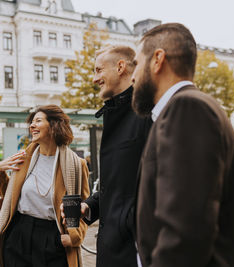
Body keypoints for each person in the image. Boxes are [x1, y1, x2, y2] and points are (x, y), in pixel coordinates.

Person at [131, 23, 234, 267]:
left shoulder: (187, 109)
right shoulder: (185, 108)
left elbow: (185, 231)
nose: (132, 75)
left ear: (158, 60)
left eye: (136, 63)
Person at [0, 105, 90, 267]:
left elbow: (84, 207)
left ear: (54, 125)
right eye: (31, 122)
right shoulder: (23, 159)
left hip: (52, 237)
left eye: (38, 121)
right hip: (18, 234)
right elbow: (11, 197)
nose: (32, 126)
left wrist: (75, 237)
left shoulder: (76, 165)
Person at [77, 45, 152, 266]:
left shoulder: (149, 113)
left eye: (99, 70)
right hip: (113, 247)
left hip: (134, 249)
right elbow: (120, 184)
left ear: (120, 67)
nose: (95, 78)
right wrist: (90, 206)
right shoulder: (115, 113)